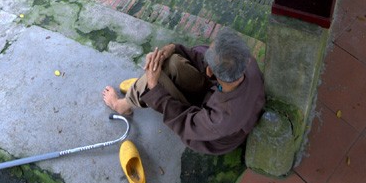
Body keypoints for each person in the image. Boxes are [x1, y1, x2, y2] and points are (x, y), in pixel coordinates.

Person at [102, 27, 265, 155]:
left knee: (156, 79)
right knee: (172, 63)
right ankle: (140, 91)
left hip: (207, 135)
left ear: (210, 72)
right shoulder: (245, 62)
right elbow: (203, 56)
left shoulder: (221, 119)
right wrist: (173, 48)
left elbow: (184, 123)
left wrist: (154, 87)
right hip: (213, 95)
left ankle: (123, 105)